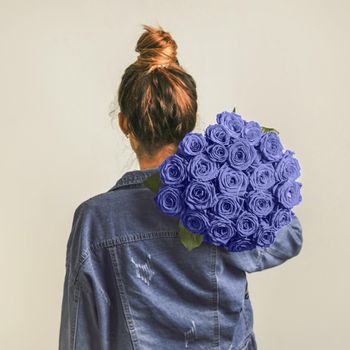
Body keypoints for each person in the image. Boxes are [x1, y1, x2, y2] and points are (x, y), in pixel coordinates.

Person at [58, 24, 303, 350]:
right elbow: (289, 237)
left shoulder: (96, 222)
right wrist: (240, 182)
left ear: (124, 123)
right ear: (190, 120)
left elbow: (81, 339)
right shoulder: (221, 203)